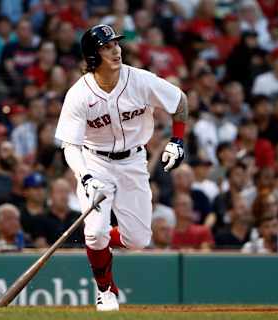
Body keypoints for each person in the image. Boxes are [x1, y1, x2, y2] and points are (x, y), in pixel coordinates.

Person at [54, 24, 187, 312]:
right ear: (92, 55)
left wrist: (177, 140)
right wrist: (84, 175)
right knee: (95, 231)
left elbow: (180, 102)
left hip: (133, 161)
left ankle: (100, 244)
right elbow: (70, 146)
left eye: (116, 44)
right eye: (106, 46)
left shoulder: (139, 80)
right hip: (95, 161)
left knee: (138, 239)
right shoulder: (79, 94)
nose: (115, 50)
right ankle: (105, 290)